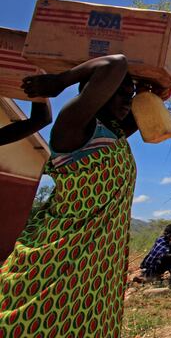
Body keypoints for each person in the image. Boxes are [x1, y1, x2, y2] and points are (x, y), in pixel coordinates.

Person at [1, 55, 140, 337]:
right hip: (58, 255)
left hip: (97, 267)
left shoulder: (115, 134)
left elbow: (152, 99)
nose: (128, 101)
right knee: (33, 322)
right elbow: (116, 64)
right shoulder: (73, 128)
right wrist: (59, 82)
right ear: (96, 90)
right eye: (120, 93)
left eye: (131, 95)